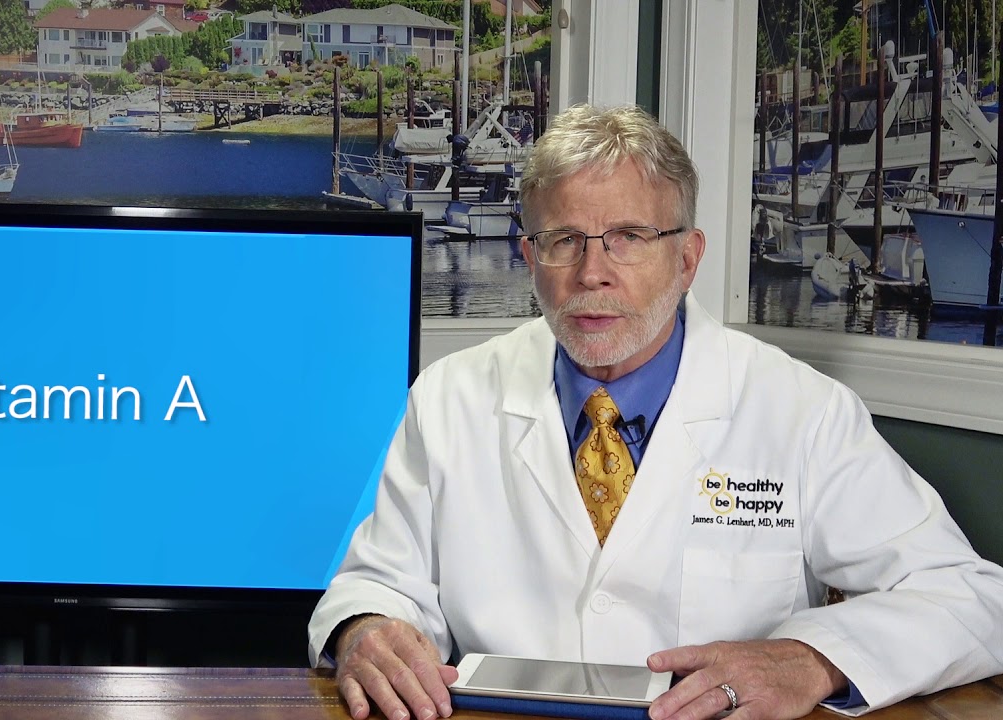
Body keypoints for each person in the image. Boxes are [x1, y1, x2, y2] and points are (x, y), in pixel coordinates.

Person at [307, 104, 1003, 720]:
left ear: (688, 259)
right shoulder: (449, 398)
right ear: (529, 257)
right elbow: (377, 583)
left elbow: (972, 597)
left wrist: (813, 657)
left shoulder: (802, 411)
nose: (593, 273)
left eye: (629, 237)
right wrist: (366, 629)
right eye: (564, 240)